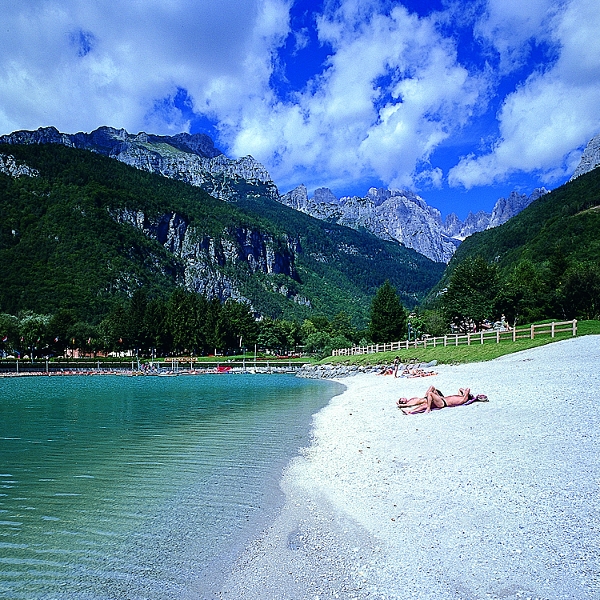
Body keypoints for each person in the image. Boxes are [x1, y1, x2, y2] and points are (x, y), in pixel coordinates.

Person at [396, 386, 488, 414]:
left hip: (443, 403)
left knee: (430, 394)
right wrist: (464, 392)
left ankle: (427, 409)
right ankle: (410, 412)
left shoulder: (463, 400)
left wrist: (468, 395)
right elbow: (460, 389)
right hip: (442, 400)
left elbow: (467, 389)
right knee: (424, 404)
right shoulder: (460, 397)